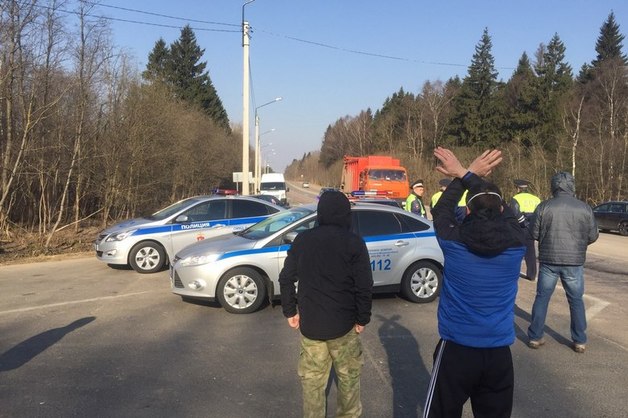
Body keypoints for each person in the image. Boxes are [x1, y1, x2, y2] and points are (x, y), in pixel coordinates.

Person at [422, 147, 526, 418]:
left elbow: (441, 207)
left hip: (457, 349)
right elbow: (503, 211)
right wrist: (467, 174)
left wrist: (465, 174)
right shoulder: (517, 244)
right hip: (498, 353)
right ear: (503, 209)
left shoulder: (453, 242)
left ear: (467, 211)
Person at [279, 190, 373, 417]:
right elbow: (364, 285)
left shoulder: (303, 240)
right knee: (349, 382)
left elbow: (286, 277)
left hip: (311, 327)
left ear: (320, 214)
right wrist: (362, 319)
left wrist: (290, 311)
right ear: (345, 214)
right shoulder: (354, 242)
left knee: (312, 385)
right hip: (345, 326)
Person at [527, 172, 599, 354]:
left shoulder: (544, 206)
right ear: (571, 186)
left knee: (542, 298)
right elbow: (593, 235)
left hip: (548, 260)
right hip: (574, 262)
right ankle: (579, 341)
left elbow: (533, 233)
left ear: (554, 186)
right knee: (576, 300)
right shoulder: (585, 208)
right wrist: (579, 245)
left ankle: (535, 336)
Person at [510, 179, 541, 280]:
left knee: (517, 249)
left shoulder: (515, 198)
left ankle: (513, 272)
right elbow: (539, 214)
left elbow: (515, 213)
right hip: (532, 227)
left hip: (520, 227)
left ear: (518, 188)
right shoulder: (536, 199)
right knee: (530, 251)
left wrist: (522, 223)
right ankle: (532, 274)